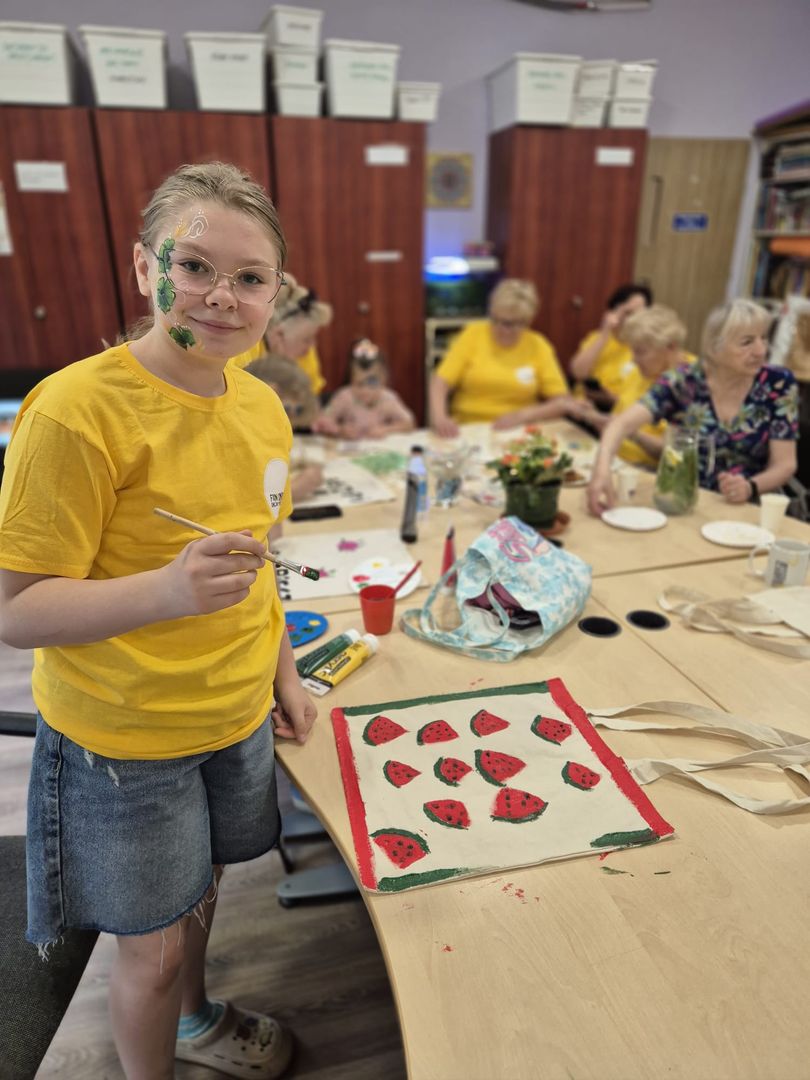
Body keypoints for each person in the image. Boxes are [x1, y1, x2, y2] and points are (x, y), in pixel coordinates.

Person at [0, 161, 317, 1080]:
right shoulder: (75, 411)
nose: (222, 296)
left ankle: (195, 1020)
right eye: (194, 267)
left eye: (250, 278)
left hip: (233, 716)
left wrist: (284, 672)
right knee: (152, 947)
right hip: (126, 741)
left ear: (276, 293)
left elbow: (260, 565)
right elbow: (17, 609)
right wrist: (167, 592)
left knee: (200, 894)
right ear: (145, 268)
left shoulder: (261, 402)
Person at [587, 298, 799, 514]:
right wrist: (601, 471)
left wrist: (749, 487)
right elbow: (620, 425)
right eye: (747, 342)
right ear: (715, 347)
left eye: (763, 338)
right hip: (688, 504)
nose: (761, 350)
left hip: (749, 510)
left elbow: (785, 464)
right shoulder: (684, 381)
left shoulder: (777, 383)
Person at [429, 279, 581, 437]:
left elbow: (562, 401)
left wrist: (523, 415)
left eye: (511, 324)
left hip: (520, 431)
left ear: (527, 322)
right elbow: (440, 382)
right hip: (469, 428)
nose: (501, 329)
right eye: (496, 320)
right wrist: (440, 418)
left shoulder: (538, 345)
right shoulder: (472, 334)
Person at [576, 304, 695, 468]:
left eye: (640, 352)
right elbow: (618, 420)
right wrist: (595, 416)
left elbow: (674, 452)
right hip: (617, 461)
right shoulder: (640, 373)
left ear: (671, 347)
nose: (633, 359)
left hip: (650, 470)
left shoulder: (690, 382)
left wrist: (631, 433)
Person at [232, 273, 332, 396]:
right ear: (279, 335)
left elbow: (309, 398)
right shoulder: (243, 351)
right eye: (306, 339)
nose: (312, 345)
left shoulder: (305, 353)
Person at [245, 352, 325, 504]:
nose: (290, 425)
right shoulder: (240, 436)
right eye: (288, 410)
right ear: (272, 392)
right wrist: (294, 489)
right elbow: (245, 502)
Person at [569, 282, 653, 409]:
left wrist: (611, 399)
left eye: (639, 314)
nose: (633, 320)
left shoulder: (646, 349)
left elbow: (643, 400)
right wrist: (605, 333)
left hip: (619, 411)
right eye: (628, 313)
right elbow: (577, 373)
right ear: (613, 312)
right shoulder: (598, 338)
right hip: (582, 406)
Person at [313, 337, 415, 439]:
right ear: (351, 380)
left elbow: (410, 423)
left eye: (372, 383)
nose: (365, 390)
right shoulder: (344, 397)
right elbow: (322, 422)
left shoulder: (388, 399)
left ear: (383, 380)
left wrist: (385, 429)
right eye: (359, 384)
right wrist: (340, 430)